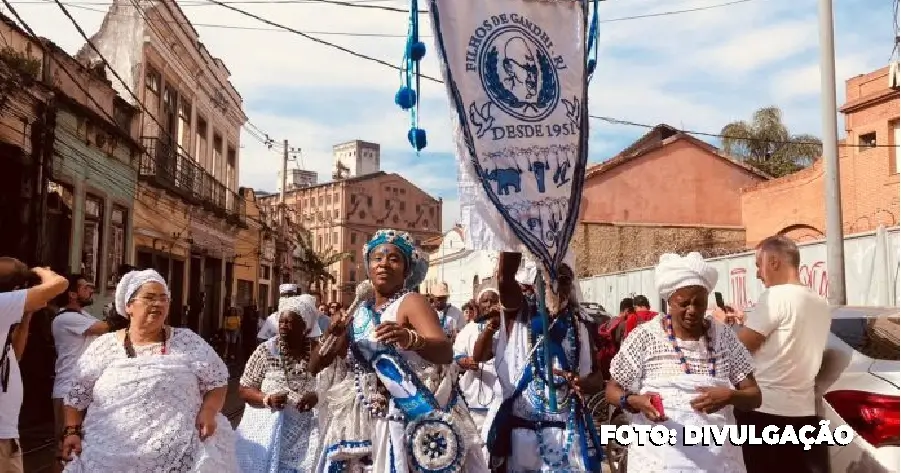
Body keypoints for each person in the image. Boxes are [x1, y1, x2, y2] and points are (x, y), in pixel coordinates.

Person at [311, 229, 487, 472]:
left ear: (406, 269)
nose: (384, 264)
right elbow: (315, 366)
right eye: (377, 258)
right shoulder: (359, 310)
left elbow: (445, 351)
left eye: (394, 259)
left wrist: (411, 339)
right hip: (363, 418)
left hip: (404, 416)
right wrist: (332, 333)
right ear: (368, 266)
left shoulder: (412, 302)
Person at [59, 269, 238, 472]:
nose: (158, 304)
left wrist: (209, 411)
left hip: (180, 457)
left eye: (164, 299)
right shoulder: (103, 347)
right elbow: (76, 396)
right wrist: (72, 431)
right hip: (108, 459)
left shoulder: (188, 341)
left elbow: (218, 382)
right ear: (129, 306)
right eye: (150, 298)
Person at [606, 252, 761, 472]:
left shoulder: (723, 337)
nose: (693, 311)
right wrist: (634, 400)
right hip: (659, 461)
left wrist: (729, 395)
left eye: (699, 303)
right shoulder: (645, 337)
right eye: (684, 303)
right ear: (669, 300)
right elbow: (612, 390)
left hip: (718, 462)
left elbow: (755, 396)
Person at [477, 254, 605, 472]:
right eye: (547, 277)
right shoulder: (517, 315)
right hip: (524, 438)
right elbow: (505, 279)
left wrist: (583, 383)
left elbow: (598, 378)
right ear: (535, 281)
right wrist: (516, 233)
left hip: (568, 433)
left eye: (563, 279)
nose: (555, 284)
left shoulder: (580, 326)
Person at [734, 236, 831, 473]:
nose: (758, 273)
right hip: (804, 414)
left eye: (759, 265)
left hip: (764, 413)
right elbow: (784, 342)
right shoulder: (821, 303)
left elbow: (739, 351)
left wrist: (721, 327)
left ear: (774, 262)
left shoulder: (775, 297)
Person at [234, 294, 323, 472]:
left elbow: (335, 385)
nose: (282, 326)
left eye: (289, 323)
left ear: (304, 328)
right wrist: (266, 398)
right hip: (269, 432)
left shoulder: (319, 351)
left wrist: (318, 396)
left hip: (308, 434)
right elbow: (244, 388)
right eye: (281, 321)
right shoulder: (266, 350)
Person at [0, 259, 68, 473]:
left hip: (7, 436)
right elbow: (59, 284)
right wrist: (42, 272)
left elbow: (15, 357)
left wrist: (26, 312)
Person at [50, 275, 111, 442]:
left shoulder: (83, 315)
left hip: (86, 388)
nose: (91, 290)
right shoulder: (65, 318)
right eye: (85, 288)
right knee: (64, 447)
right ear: (72, 294)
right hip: (67, 389)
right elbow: (103, 327)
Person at [453, 287, 502, 452]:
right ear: (478, 305)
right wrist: (465, 362)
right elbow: (455, 357)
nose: (489, 304)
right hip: (473, 396)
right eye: (485, 301)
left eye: (493, 300)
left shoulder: (507, 328)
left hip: (499, 396)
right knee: (476, 446)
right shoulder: (469, 330)